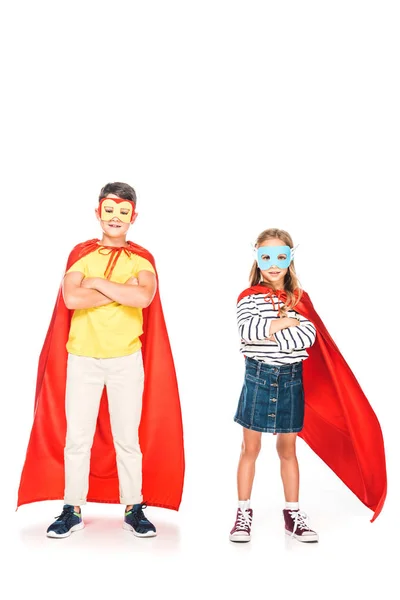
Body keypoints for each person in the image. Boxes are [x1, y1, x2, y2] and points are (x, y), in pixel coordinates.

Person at [18, 182, 185, 538]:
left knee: (128, 437)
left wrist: (97, 284)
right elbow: (71, 298)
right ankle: (72, 507)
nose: (115, 218)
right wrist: (119, 292)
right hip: (83, 358)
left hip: (126, 358)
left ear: (133, 216)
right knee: (77, 437)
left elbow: (143, 298)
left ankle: (134, 506)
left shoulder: (141, 259)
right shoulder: (81, 254)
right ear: (98, 212)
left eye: (123, 212)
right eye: (109, 211)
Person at [229, 228, 386, 544]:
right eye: (267, 257)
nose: (274, 265)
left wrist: (276, 329)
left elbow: (307, 337)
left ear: (290, 259)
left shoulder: (300, 300)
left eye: (281, 257)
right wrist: (286, 324)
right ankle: (243, 512)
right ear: (257, 258)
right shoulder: (249, 298)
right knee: (251, 448)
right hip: (258, 378)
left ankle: (292, 514)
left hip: (290, 381)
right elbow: (248, 331)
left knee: (288, 449)